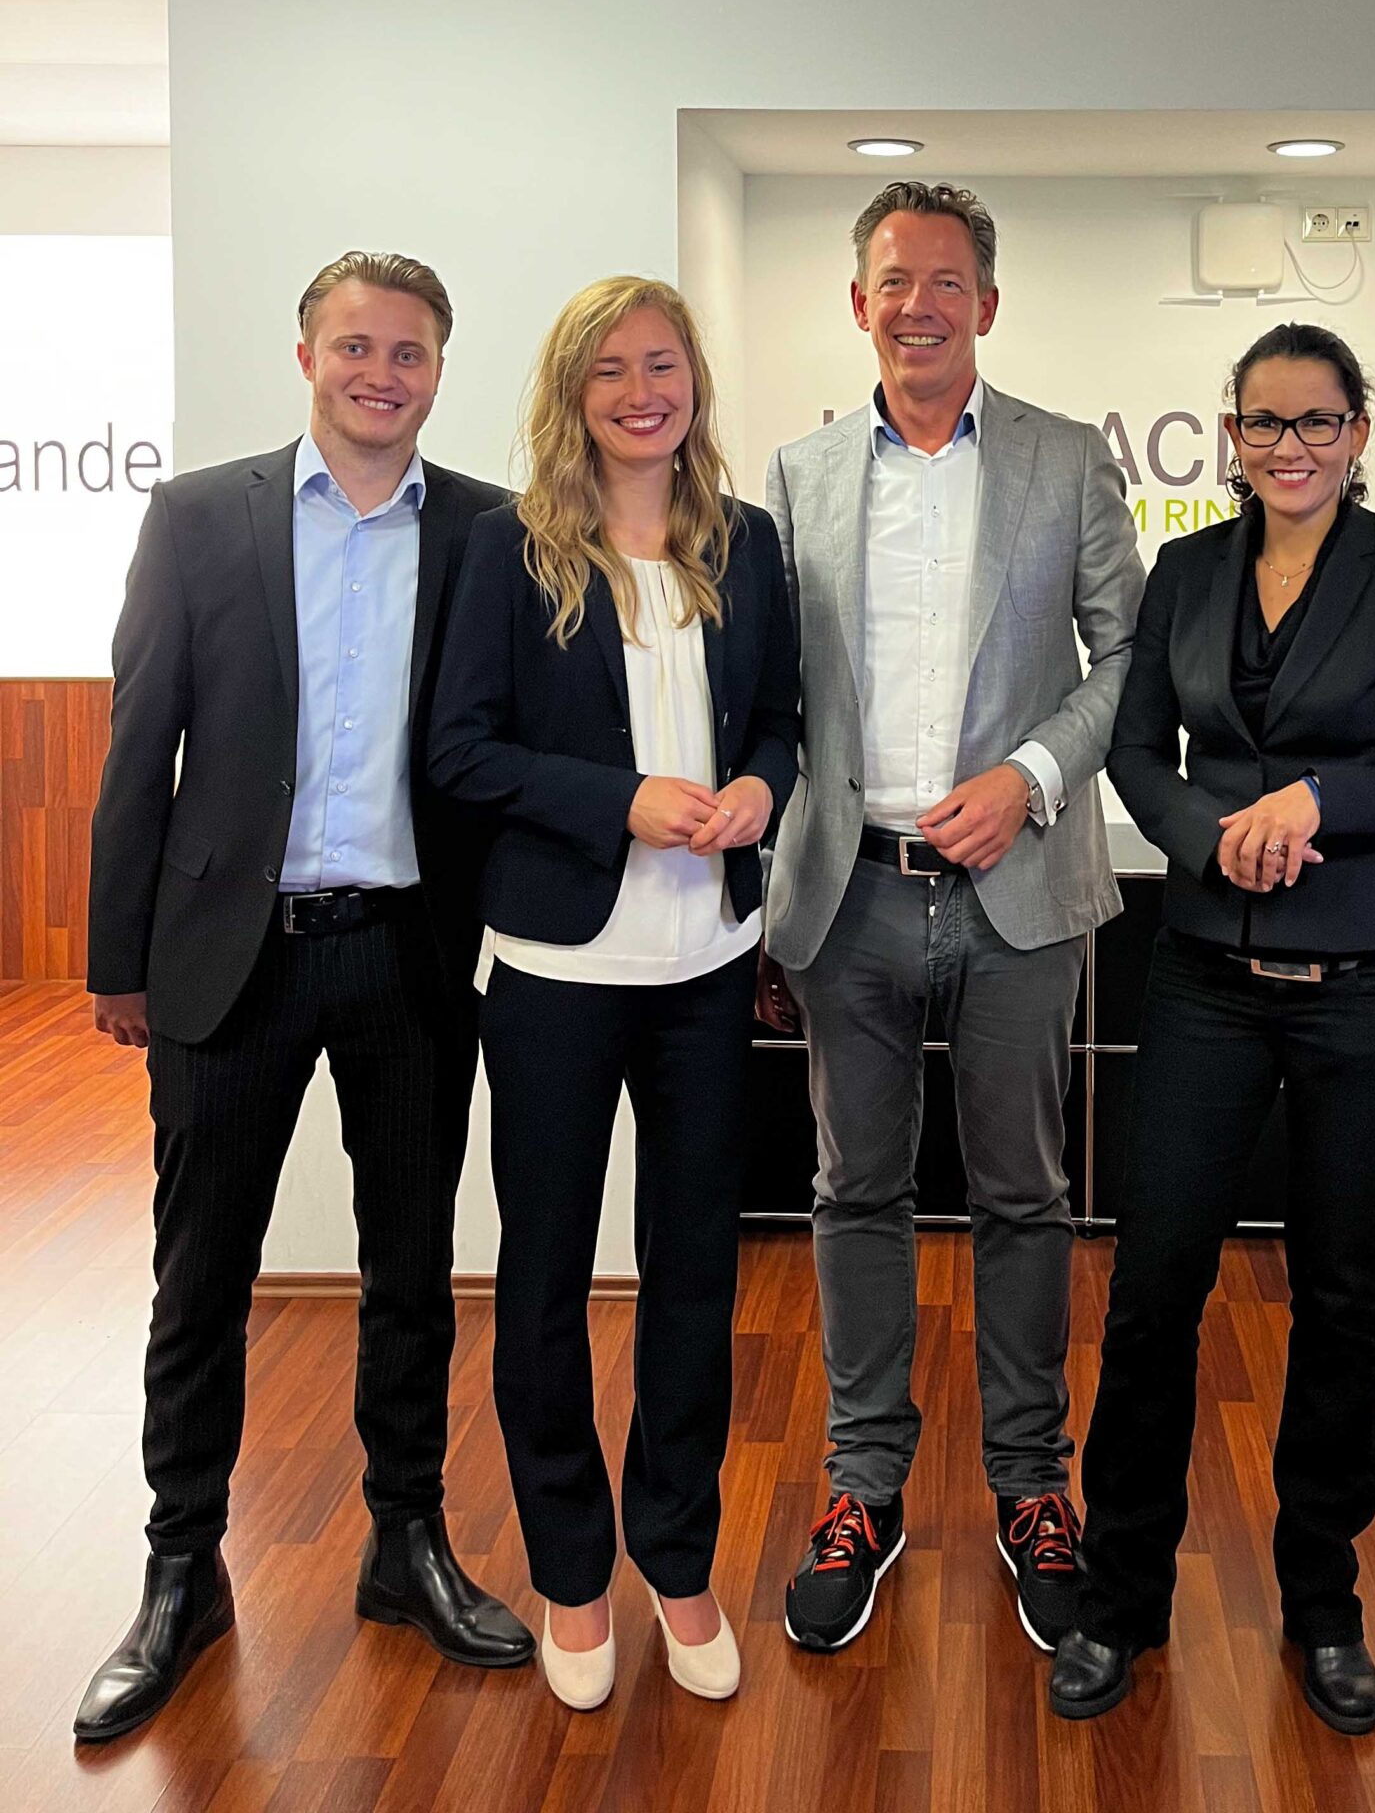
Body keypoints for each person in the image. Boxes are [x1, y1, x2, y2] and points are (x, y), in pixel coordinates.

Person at [76, 251, 533, 1746]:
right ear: (306, 357)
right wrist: (121, 963)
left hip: (409, 954)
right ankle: (180, 1569)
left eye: (408, 352)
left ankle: (406, 1541)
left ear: (438, 370)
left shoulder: (491, 532)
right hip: (233, 954)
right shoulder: (199, 517)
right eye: (355, 347)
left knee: (411, 1269)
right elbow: (140, 744)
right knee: (201, 1273)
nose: (380, 374)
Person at [1048, 321, 1375, 1729]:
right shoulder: (1187, 573)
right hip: (1206, 976)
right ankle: (1121, 1599)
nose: (1289, 446)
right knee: (1152, 1289)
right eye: (1263, 423)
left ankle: (1324, 1604)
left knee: (1341, 1296)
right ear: (1231, 436)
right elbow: (1136, 752)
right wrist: (1211, 837)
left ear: (1359, 431)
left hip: (1371, 984)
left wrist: (1322, 803)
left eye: (1316, 421)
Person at [760, 180, 1143, 1657]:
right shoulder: (798, 474)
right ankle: (864, 1490)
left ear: (987, 302)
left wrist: (1033, 774)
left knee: (1025, 1196)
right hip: (849, 891)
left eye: (944, 281)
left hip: (1018, 893)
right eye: (892, 280)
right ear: (858, 303)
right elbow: (775, 685)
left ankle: (1033, 1489)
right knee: (853, 1190)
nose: (916, 304)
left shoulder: (1065, 458)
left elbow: (1128, 655)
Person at [429, 277, 798, 1713]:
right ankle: (573, 1575)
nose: (643, 394)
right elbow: (460, 752)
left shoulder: (746, 543)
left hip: (707, 969)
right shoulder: (508, 550)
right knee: (542, 1283)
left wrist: (760, 784)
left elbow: (782, 717)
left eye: (663, 366)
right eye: (612, 372)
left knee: (695, 1280)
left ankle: (679, 1562)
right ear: (572, 395)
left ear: (694, 381)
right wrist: (618, 801)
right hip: (557, 977)